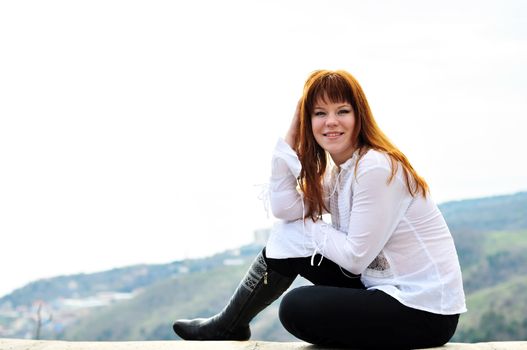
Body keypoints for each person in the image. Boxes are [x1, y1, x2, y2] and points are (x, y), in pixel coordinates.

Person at [172, 69, 467, 349]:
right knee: (289, 234)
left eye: (342, 111)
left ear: (359, 116)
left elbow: (354, 258)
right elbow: (285, 208)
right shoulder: (341, 172)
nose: (331, 121)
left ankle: (228, 324)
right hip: (381, 288)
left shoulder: (375, 167)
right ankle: (229, 324)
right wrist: (290, 138)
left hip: (423, 310)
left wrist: (307, 229)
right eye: (319, 113)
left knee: (296, 307)